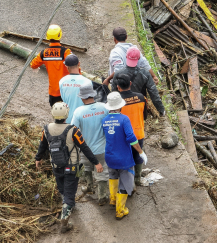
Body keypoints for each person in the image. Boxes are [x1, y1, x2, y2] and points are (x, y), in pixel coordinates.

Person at [35, 102, 104, 233]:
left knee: (62, 188)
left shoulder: (46, 129)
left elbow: (42, 146)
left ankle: (68, 203)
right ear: (66, 115)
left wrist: (38, 159)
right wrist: (96, 162)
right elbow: (84, 147)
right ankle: (65, 218)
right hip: (72, 167)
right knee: (71, 191)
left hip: (56, 166)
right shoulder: (73, 130)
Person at [102, 92, 147, 220]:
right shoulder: (124, 119)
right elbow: (131, 138)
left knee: (113, 176)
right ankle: (120, 210)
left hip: (109, 156)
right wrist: (140, 152)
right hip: (123, 159)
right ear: (120, 106)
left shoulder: (104, 120)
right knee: (126, 183)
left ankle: (113, 199)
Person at [71, 83, 110, 205]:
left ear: (82, 97)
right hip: (103, 148)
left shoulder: (78, 112)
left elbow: (73, 130)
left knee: (87, 167)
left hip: (86, 148)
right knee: (102, 171)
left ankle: (89, 187)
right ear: (93, 94)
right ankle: (102, 196)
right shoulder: (104, 107)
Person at [112, 47, 165, 116]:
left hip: (123, 108)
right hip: (140, 108)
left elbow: (113, 93)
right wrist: (161, 110)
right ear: (139, 58)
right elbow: (153, 93)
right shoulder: (145, 74)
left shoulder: (118, 74)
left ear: (126, 56)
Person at [115, 74, 147, 187]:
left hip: (122, 135)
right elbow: (145, 116)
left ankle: (126, 181)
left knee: (125, 157)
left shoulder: (116, 102)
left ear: (118, 87)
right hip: (138, 133)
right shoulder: (141, 97)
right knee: (138, 155)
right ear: (130, 84)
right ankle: (137, 178)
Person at [30, 25, 73, 107]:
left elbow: (33, 64)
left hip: (53, 92)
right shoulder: (66, 52)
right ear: (60, 35)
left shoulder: (44, 53)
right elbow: (76, 65)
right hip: (68, 90)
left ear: (48, 37)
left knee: (57, 115)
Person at [59, 54, 92, 123]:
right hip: (83, 119)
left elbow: (63, 99)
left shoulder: (62, 81)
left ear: (66, 67)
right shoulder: (87, 82)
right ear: (79, 64)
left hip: (67, 119)